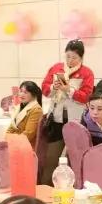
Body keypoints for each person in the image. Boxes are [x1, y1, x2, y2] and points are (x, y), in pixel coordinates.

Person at [39, 40, 94, 184]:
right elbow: (44, 90)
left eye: (74, 57)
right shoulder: (56, 68)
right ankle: (47, 188)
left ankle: (76, 188)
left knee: (76, 158)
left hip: (76, 121)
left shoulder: (86, 73)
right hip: (56, 119)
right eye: (68, 56)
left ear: (81, 57)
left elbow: (86, 97)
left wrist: (69, 90)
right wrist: (54, 87)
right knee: (51, 157)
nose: (70, 60)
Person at [5, 81, 43, 148]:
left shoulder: (36, 110)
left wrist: (12, 141)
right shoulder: (19, 107)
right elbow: (10, 129)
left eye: (25, 92)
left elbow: (28, 134)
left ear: (33, 95)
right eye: (21, 91)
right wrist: (8, 139)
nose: (21, 94)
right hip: (16, 144)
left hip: (26, 147)